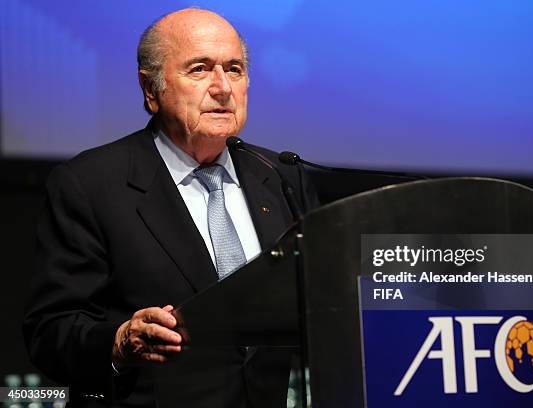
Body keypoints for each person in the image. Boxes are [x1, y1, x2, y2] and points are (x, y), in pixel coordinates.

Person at [23, 8, 318, 408]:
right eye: (200, 69)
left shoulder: (283, 176)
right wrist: (120, 341)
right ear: (151, 89)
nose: (222, 88)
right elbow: (51, 330)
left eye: (234, 69)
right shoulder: (90, 184)